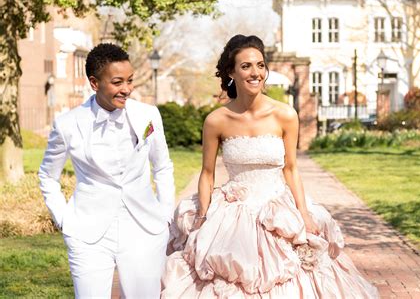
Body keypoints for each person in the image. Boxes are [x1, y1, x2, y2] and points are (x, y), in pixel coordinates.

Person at [162, 35, 379, 298]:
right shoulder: (216, 120)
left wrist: (304, 214)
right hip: (232, 214)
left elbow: (291, 169)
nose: (256, 73)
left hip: (278, 211)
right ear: (231, 72)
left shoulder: (286, 115)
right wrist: (202, 217)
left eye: (260, 65)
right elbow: (207, 174)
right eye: (246, 66)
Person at [38, 43, 175, 298]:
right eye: (117, 82)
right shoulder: (67, 124)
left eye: (130, 80)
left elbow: (163, 166)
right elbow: (47, 176)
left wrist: (166, 213)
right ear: (94, 83)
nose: (127, 89)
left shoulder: (148, 115)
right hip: (87, 233)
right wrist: (65, 221)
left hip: (144, 228)